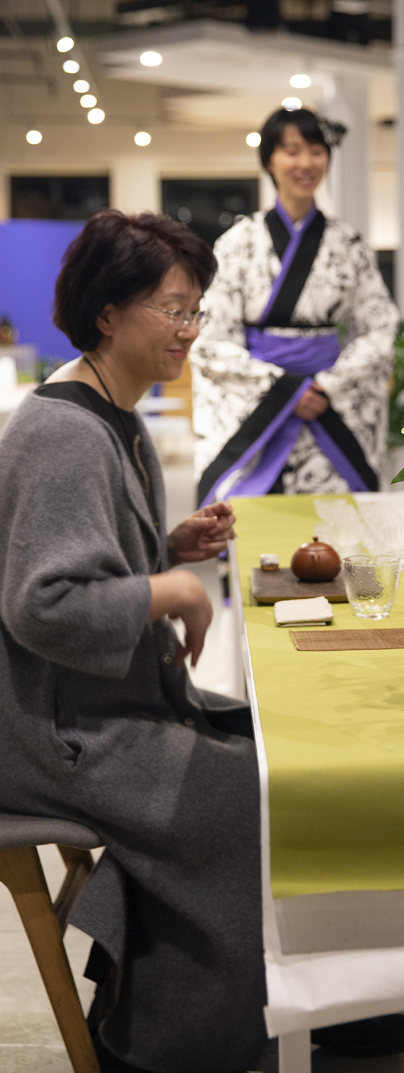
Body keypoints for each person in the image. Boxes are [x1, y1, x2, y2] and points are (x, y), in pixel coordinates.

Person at [0, 210, 269, 1073]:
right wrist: (168, 587)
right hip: (58, 735)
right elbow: (42, 605)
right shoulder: (64, 433)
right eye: (173, 310)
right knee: (251, 802)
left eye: (195, 312)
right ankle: (171, 1044)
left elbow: (89, 559)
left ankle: (242, 1002)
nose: (188, 331)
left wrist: (167, 550)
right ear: (109, 314)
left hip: (104, 705)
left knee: (280, 754)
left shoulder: (114, 414)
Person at [190, 106, 399, 505]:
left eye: (316, 151)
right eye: (291, 151)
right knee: (256, 536)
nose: (306, 163)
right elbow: (210, 339)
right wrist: (284, 391)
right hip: (261, 410)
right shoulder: (238, 243)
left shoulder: (348, 244)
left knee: (337, 531)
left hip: (328, 405)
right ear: (269, 159)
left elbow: (380, 325)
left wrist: (325, 386)